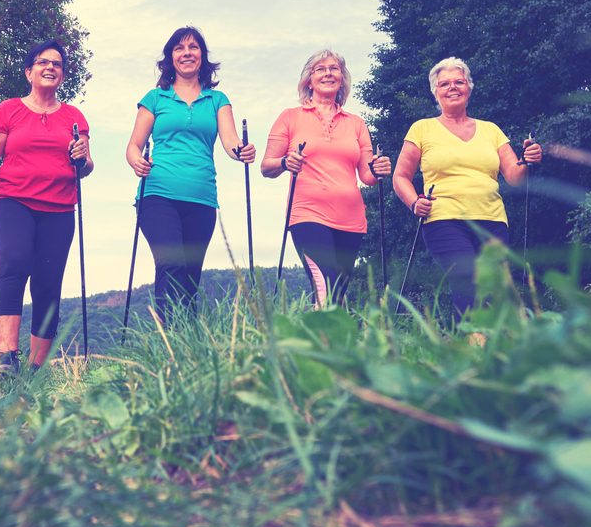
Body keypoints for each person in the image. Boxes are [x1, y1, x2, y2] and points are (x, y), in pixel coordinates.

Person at [392, 56, 541, 325]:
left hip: (492, 220)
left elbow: (515, 176)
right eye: (445, 83)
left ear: (469, 88)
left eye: (459, 82)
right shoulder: (422, 128)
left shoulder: (491, 130)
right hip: (444, 217)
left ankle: (491, 347)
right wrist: (415, 203)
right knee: (466, 274)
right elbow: (400, 176)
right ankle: (474, 340)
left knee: (492, 286)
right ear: (435, 92)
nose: (452, 87)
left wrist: (529, 159)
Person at [0, 40, 92, 374]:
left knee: (48, 281)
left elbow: (85, 167)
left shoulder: (74, 117)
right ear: (29, 71)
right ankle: (7, 356)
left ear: (63, 74)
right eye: (42, 62)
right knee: (14, 263)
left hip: (59, 206)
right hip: (15, 200)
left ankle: (36, 366)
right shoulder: (8, 110)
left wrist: (82, 157)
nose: (50, 67)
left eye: (56, 64)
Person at [125, 27, 256, 321]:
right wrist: (136, 161)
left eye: (193, 47)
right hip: (158, 194)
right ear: (171, 58)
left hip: (201, 198)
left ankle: (186, 346)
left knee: (190, 275)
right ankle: (169, 342)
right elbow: (134, 145)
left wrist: (242, 150)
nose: (187, 53)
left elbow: (230, 141)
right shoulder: (155, 98)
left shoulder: (217, 100)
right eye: (179, 48)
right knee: (171, 264)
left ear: (202, 56)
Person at [260, 49, 392, 307]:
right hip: (308, 215)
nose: (328, 73)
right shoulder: (290, 117)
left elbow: (366, 175)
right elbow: (267, 166)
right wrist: (287, 162)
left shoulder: (356, 123)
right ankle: (325, 342)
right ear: (308, 80)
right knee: (325, 286)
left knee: (337, 294)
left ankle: (327, 345)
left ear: (342, 79)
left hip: (350, 221)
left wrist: (377, 169)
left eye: (334, 69)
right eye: (320, 69)